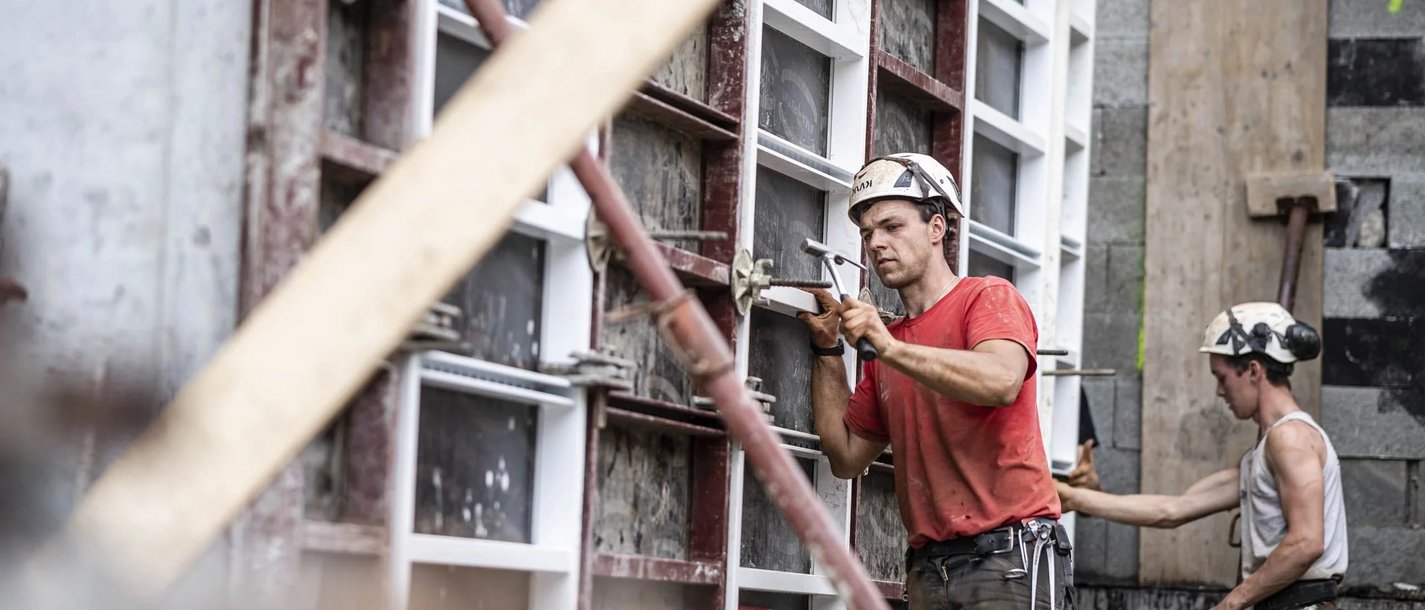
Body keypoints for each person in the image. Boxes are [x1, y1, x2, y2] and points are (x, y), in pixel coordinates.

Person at [800, 153, 1071, 610]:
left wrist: (887, 347)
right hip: (929, 567)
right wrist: (828, 351)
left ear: (937, 228)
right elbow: (845, 457)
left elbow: (1002, 380)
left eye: (892, 226)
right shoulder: (890, 345)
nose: (876, 243)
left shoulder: (987, 298)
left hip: (1008, 559)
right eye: (867, 234)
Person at [1057, 303, 1347, 610]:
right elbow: (1173, 509)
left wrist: (1230, 604)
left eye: (1222, 378)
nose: (1220, 392)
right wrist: (1072, 497)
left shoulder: (1290, 438)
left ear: (1252, 371)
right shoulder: (1261, 455)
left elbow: (1306, 543)